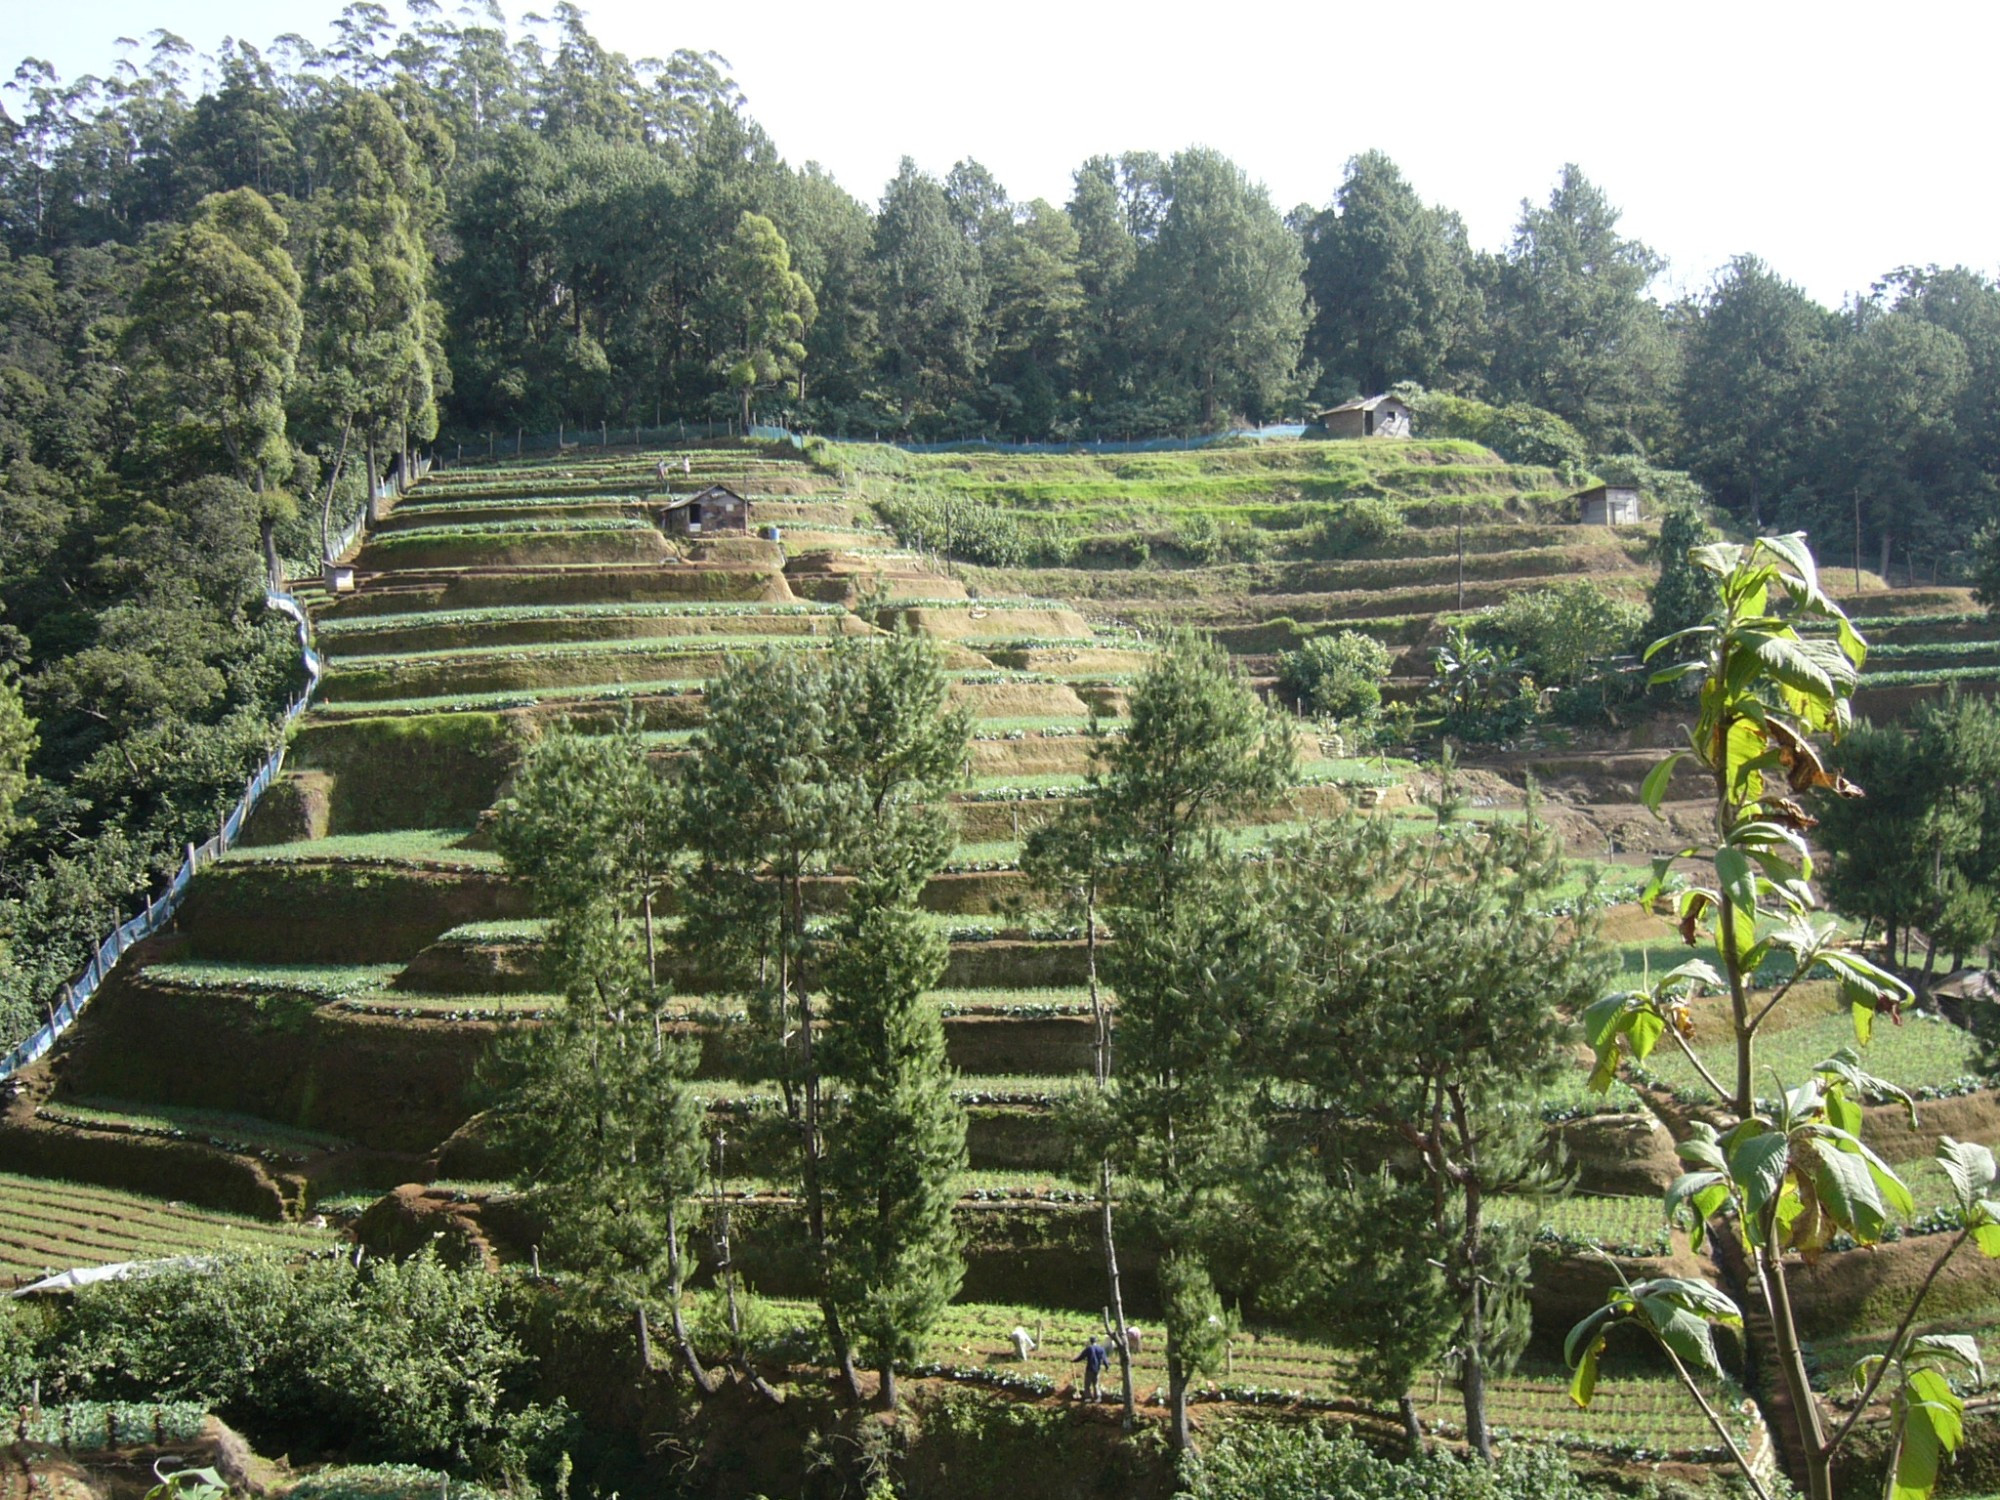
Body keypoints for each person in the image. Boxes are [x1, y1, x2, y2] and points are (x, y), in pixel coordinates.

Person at [1072, 1336, 1109, 1400]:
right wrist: (1107, 1367)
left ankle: (1088, 1397)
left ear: (1090, 1341)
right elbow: (1104, 1359)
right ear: (1096, 1341)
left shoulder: (1088, 1348)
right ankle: (1097, 1397)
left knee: (1087, 1384)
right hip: (1097, 1369)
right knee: (1096, 1383)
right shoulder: (1101, 1349)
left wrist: (1074, 1361)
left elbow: (1081, 1356)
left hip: (1090, 1368)